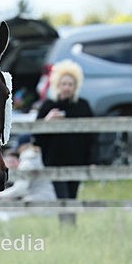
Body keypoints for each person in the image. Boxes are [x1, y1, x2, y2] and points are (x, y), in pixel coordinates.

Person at [34, 60, 95, 201]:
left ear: (75, 86)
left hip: (78, 159)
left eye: (70, 84)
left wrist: (92, 159)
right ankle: (66, 223)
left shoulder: (83, 106)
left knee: (72, 196)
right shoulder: (48, 105)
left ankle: (70, 223)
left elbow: (92, 135)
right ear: (57, 85)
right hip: (54, 159)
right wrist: (47, 121)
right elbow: (36, 137)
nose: (67, 88)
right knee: (63, 197)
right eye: (64, 84)